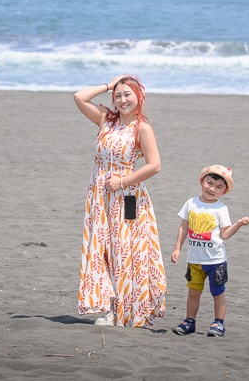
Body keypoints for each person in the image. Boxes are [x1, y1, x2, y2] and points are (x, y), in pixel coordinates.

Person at [74, 74, 167, 327]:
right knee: (102, 247)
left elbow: (155, 165)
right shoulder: (106, 121)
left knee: (124, 250)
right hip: (99, 195)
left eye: (128, 94)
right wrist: (108, 85)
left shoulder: (142, 129)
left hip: (128, 196)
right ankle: (110, 307)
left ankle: (127, 309)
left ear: (139, 97)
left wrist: (122, 182)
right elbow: (78, 97)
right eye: (118, 95)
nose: (123, 100)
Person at [170, 164, 249, 337]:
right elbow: (183, 228)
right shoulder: (191, 203)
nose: (212, 188)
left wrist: (238, 224)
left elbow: (225, 234)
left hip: (215, 260)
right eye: (209, 183)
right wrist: (177, 248)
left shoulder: (221, 208)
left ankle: (219, 323)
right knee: (193, 292)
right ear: (202, 181)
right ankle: (189, 321)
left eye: (219, 187)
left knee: (218, 292)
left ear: (224, 191)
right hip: (194, 260)